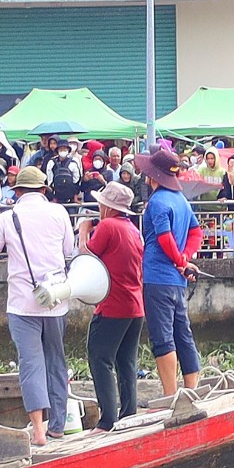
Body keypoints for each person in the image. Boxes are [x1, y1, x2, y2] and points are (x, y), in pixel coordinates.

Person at [0, 164, 79, 448]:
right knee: (56, 362)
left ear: (17, 191)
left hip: (21, 304)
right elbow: (70, 251)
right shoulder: (59, 213)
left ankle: (38, 431)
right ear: (44, 190)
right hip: (55, 301)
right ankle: (57, 426)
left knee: (30, 364)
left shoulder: (8, 218)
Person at [136, 144, 206, 424]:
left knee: (162, 337)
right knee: (183, 333)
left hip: (157, 277)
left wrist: (179, 260)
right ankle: (191, 391)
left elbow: (164, 239)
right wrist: (186, 258)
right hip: (177, 281)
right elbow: (197, 233)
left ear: (154, 176)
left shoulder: (157, 203)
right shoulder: (181, 200)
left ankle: (170, 395)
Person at [81, 181, 147, 430]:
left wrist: (83, 232)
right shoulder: (132, 228)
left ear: (107, 207)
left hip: (113, 304)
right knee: (126, 361)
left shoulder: (108, 226)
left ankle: (108, 418)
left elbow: (87, 258)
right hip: (135, 305)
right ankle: (129, 413)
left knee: (100, 357)